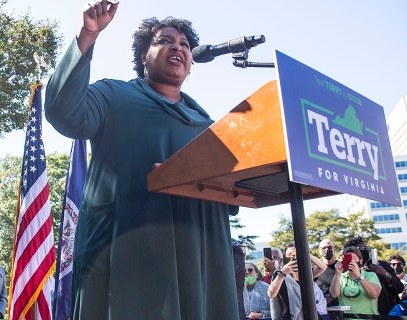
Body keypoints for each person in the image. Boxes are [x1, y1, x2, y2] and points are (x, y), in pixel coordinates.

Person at [44, 1, 240, 318]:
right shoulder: (113, 96)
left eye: (185, 44)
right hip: (123, 258)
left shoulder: (210, 127)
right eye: (164, 41)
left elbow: (231, 197)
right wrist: (87, 36)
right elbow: (62, 112)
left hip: (194, 267)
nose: (178, 48)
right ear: (142, 56)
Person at [344, 237, 404, 315]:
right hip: (365, 313)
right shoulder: (348, 271)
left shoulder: (381, 265)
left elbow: (399, 288)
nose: (365, 250)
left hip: (388, 313)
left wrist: (385, 273)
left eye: (366, 247)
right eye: (362, 248)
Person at [268, 245, 328, 320]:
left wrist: (306, 253)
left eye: (295, 255)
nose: (292, 257)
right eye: (289, 255)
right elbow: (271, 294)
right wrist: (282, 274)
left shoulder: (306, 273)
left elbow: (323, 267)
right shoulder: (279, 274)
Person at [329, 246, 381, 318]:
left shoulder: (370, 275)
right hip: (346, 317)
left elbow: (374, 294)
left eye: (354, 259)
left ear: (360, 261)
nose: (351, 261)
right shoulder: (341, 277)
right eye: (348, 258)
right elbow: (334, 294)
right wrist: (337, 274)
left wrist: (359, 275)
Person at [314, 239, 338, 307]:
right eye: (323, 248)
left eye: (330, 247)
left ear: (334, 250)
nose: (327, 250)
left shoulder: (340, 267)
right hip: (322, 309)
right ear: (319, 251)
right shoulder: (315, 270)